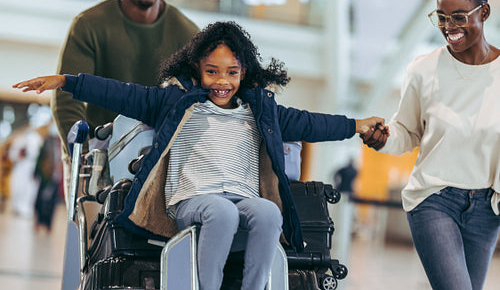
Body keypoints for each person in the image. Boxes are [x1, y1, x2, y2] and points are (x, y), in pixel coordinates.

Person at [14, 21, 386, 290]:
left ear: (245, 72)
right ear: (198, 70)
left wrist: (356, 124)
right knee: (220, 211)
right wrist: (68, 82)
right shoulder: (174, 101)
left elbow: (311, 124)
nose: (221, 81)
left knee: (269, 211)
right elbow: (121, 93)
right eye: (212, 72)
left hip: (241, 197)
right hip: (190, 200)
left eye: (231, 73)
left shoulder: (261, 110)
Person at [362, 0, 500, 290]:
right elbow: (407, 132)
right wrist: (383, 140)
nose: (449, 27)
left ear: (485, 11)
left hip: (486, 209)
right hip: (435, 199)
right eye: (441, 16)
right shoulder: (424, 70)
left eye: (459, 17)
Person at [51, 0, 199, 206]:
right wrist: (82, 153)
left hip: (156, 148)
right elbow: (66, 97)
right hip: (97, 145)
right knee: (87, 231)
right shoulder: (88, 24)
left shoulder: (187, 34)